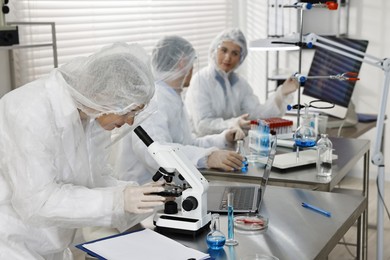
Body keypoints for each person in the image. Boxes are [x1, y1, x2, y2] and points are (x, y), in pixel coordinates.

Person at [0, 42, 168, 259]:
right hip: (13, 244)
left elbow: (95, 181)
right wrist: (118, 200)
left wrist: (143, 195)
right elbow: (38, 202)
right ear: (105, 93)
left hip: (54, 247)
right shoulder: (29, 111)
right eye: (130, 111)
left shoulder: (92, 116)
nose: (130, 121)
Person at [113, 35, 244, 185]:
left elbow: (186, 143)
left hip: (168, 189)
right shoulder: (154, 100)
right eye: (191, 63)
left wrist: (223, 138)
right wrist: (207, 158)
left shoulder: (172, 96)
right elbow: (156, 153)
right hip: (144, 193)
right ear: (183, 63)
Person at [185, 28, 299, 137]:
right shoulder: (201, 80)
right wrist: (234, 123)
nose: (228, 57)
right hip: (204, 147)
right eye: (224, 50)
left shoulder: (240, 83)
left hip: (231, 144)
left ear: (241, 58)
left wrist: (281, 93)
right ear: (214, 50)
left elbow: (256, 116)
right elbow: (202, 125)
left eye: (234, 53)